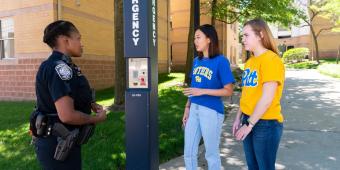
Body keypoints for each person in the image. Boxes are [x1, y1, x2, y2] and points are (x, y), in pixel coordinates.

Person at [31, 20, 107, 169]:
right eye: (78, 38)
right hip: (57, 144)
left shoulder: (66, 66)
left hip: (65, 142)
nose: (81, 43)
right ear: (65, 40)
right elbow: (67, 115)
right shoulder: (58, 68)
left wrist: (91, 104)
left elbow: (74, 92)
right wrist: (96, 119)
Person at [232, 18, 285, 170]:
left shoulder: (271, 60)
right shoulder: (250, 62)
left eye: (246, 35)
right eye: (242, 36)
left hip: (266, 123)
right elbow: (246, 94)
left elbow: (267, 98)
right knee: (252, 166)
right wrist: (238, 118)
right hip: (248, 118)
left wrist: (249, 125)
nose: (243, 40)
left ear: (260, 35)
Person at [182, 24, 235, 170]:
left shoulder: (221, 61)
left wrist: (203, 91)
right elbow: (194, 89)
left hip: (211, 111)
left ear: (209, 39)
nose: (195, 41)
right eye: (194, 38)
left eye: (198, 37)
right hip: (194, 110)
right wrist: (187, 108)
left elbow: (228, 91)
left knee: (211, 154)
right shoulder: (196, 61)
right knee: (188, 152)